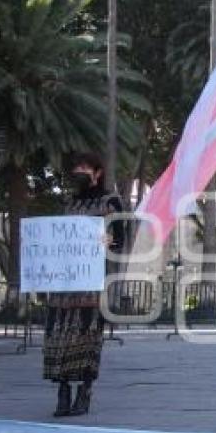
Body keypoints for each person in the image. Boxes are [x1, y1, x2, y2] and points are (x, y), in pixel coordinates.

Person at [43, 153, 124, 417]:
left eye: (85, 167)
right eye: (77, 166)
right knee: (58, 337)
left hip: (89, 282)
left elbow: (118, 239)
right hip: (62, 283)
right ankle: (63, 391)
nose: (79, 170)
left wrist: (100, 242)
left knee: (87, 336)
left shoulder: (110, 201)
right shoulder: (68, 202)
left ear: (97, 172)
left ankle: (84, 392)